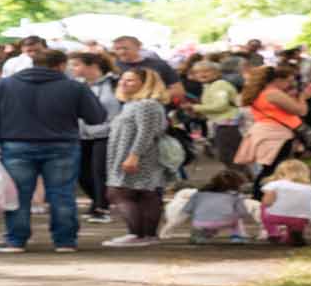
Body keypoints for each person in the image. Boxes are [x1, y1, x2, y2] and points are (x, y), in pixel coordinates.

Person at [0, 49, 107, 254]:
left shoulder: (4, 86)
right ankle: (65, 241)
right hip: (62, 146)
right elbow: (96, 117)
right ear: (61, 65)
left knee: (18, 195)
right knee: (62, 194)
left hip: (15, 145)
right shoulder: (74, 87)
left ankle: (16, 240)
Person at [102, 68, 173, 248]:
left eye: (130, 80)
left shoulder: (146, 105)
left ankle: (138, 234)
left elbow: (146, 133)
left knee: (119, 192)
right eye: (122, 80)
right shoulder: (134, 104)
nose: (123, 83)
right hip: (131, 154)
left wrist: (134, 156)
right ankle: (146, 235)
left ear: (145, 83)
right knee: (145, 193)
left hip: (139, 155)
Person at [235, 66, 311, 198]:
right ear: (277, 80)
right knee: (275, 168)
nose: (290, 84)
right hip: (277, 135)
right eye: (288, 81)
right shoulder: (272, 93)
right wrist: (303, 97)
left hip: (266, 132)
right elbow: (301, 110)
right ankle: (261, 197)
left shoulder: (260, 92)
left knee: (270, 168)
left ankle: (263, 196)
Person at [69, 53, 121, 224]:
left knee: (100, 172)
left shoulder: (114, 83)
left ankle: (102, 207)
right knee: (82, 173)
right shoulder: (76, 85)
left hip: (107, 134)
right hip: (81, 134)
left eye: (76, 64)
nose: (72, 68)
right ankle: (97, 201)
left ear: (92, 66)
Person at [187, 61, 243, 169]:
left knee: (229, 156)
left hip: (228, 125)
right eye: (198, 72)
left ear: (217, 72)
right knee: (228, 156)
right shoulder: (210, 85)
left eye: (207, 71)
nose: (202, 74)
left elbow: (220, 106)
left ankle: (240, 180)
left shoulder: (220, 84)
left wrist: (195, 108)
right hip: (222, 124)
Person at [259, 158, 311, 246]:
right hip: (304, 218)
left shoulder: (275, 184)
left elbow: (267, 202)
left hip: (277, 216)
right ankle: (294, 235)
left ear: (280, 173)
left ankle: (273, 233)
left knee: (263, 207)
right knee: (297, 218)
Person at [185, 170, 255, 245]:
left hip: (199, 223)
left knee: (207, 223)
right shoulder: (235, 195)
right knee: (236, 219)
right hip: (225, 221)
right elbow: (242, 213)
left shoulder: (199, 193)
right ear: (237, 184)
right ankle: (237, 237)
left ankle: (201, 236)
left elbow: (188, 210)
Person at [109, 35, 182, 100]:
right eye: (117, 49)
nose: (121, 52)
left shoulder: (159, 65)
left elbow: (178, 90)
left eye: (125, 48)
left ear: (139, 47)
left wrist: (150, 96)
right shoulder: (111, 66)